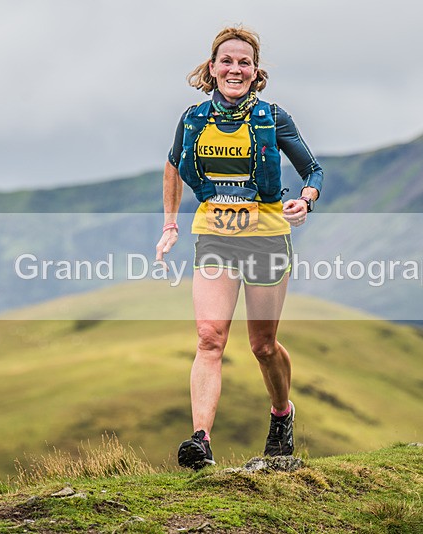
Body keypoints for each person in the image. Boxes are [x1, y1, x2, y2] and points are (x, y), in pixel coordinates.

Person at [155, 25, 323, 470]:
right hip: (215, 235)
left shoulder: (273, 117)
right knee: (209, 337)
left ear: (255, 71)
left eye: (243, 62)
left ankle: (282, 415)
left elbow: (313, 170)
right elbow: (173, 165)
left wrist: (305, 200)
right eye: (226, 61)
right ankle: (201, 441)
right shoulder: (193, 119)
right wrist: (170, 224)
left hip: (267, 237)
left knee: (263, 346)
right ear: (212, 68)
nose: (235, 69)